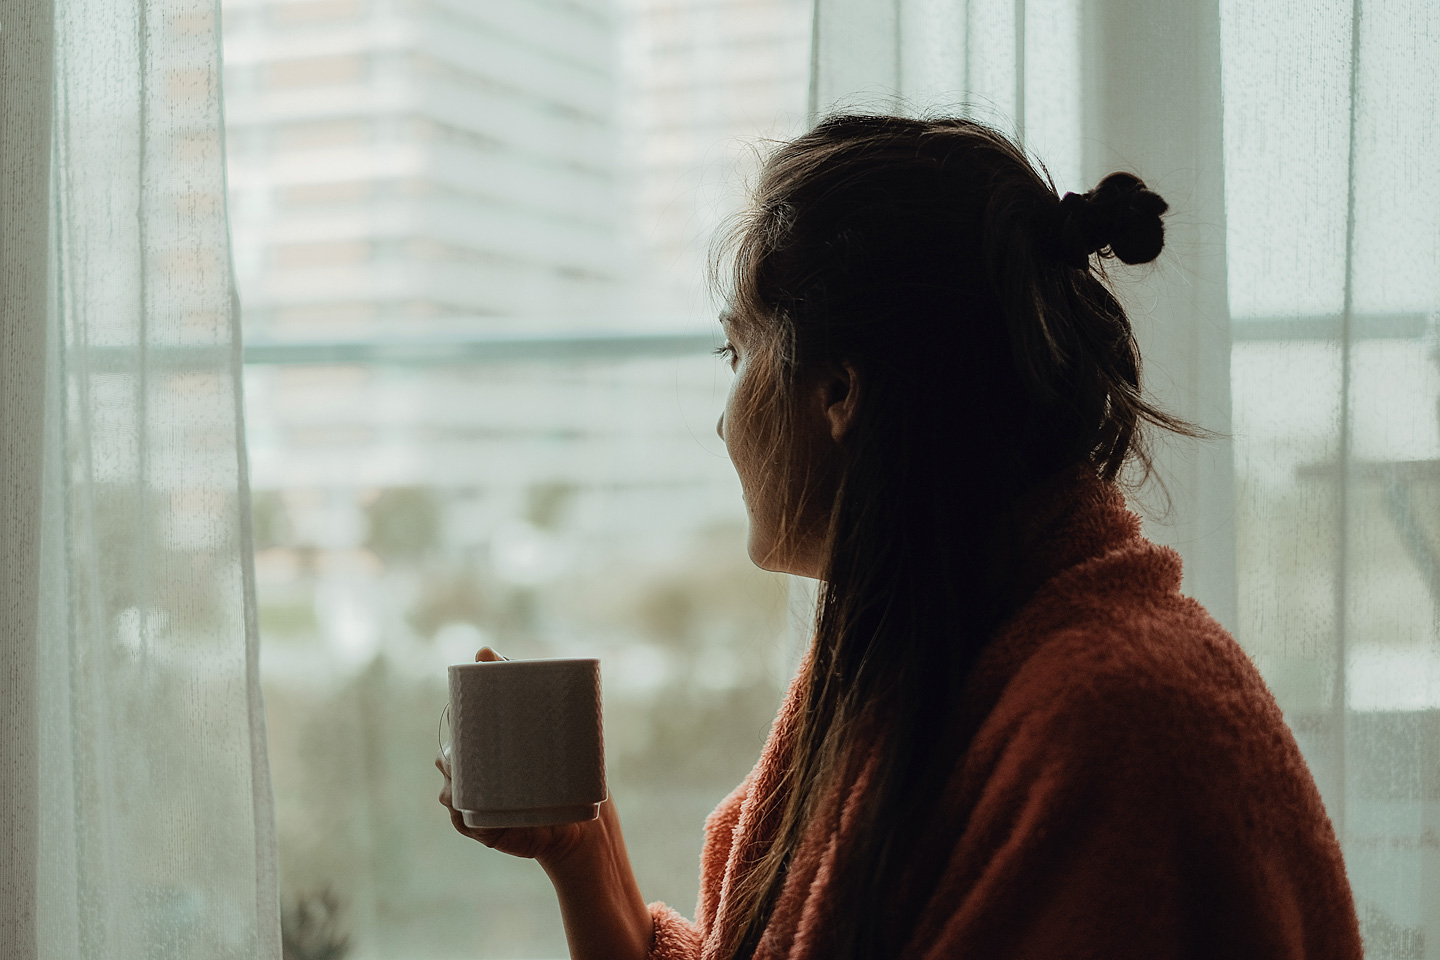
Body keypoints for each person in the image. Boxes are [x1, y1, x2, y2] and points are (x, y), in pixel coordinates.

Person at [437, 114, 1363, 960]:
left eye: (737, 354)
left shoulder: (1117, 729)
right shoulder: (921, 649)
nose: (723, 421)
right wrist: (585, 859)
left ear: (839, 391)